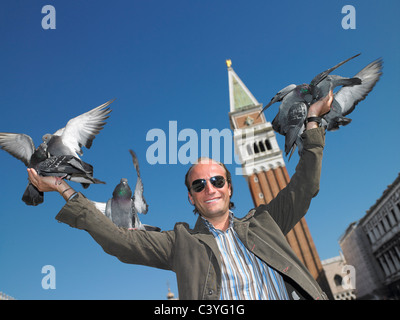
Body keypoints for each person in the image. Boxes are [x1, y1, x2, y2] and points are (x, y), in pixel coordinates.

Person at [27, 91, 333, 300]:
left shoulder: (267, 222)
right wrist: (62, 187)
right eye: (199, 185)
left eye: (216, 181)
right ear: (191, 198)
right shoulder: (180, 244)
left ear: (229, 188)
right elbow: (118, 241)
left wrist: (312, 121)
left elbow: (305, 184)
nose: (209, 189)